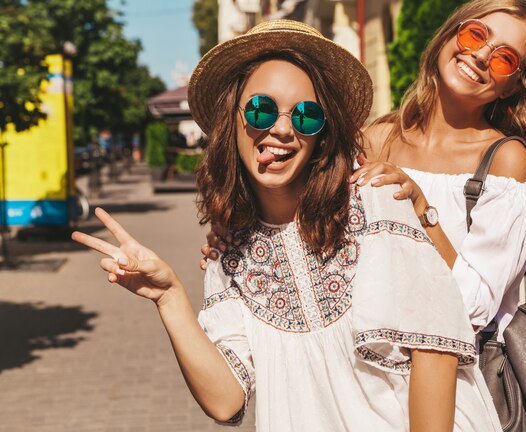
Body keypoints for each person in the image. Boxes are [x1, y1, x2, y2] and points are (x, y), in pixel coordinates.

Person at [73, 20, 501, 432]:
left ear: (323, 134)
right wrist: (168, 297)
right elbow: (226, 400)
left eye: (305, 117)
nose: (281, 129)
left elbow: (435, 349)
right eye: (260, 110)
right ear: (232, 119)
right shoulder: (230, 254)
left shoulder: (375, 201)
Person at [350, 0, 526, 344]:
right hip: (363, 369)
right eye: (476, 35)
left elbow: (474, 307)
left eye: (504, 58)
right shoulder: (378, 138)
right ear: (451, 35)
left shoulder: (504, 161)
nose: (480, 56)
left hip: (452, 379)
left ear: (510, 86)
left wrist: (421, 208)